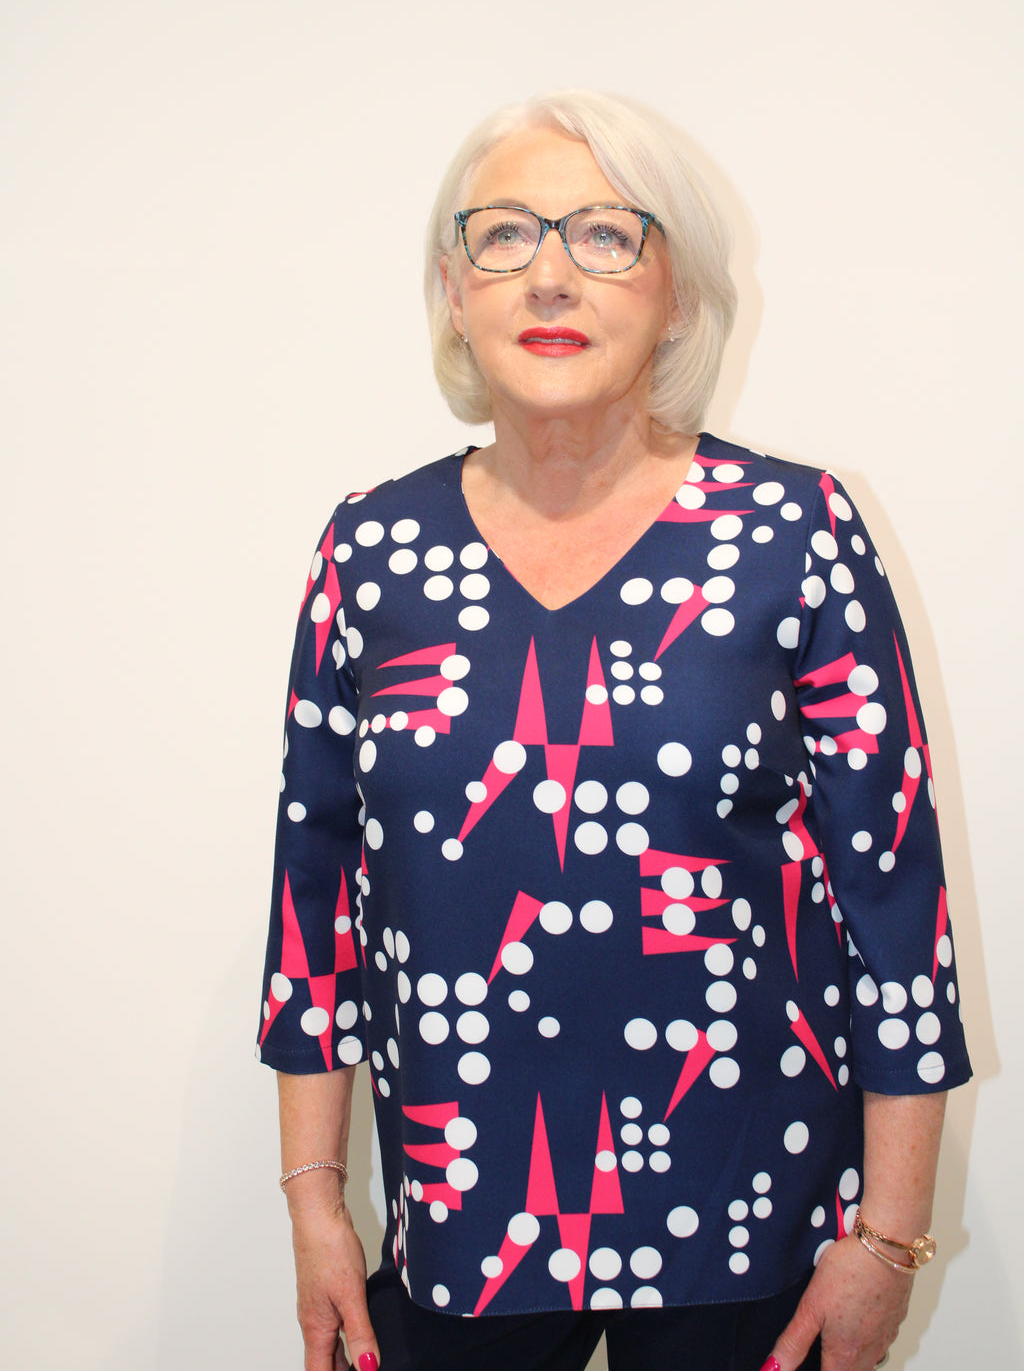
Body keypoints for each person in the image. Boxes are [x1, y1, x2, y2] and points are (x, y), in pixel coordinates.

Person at [257, 91, 971, 1371]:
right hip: (461, 1228)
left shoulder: (794, 534)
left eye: (603, 234)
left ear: (676, 293)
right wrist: (315, 1206)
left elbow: (892, 901)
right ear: (452, 289)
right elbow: (315, 899)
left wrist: (888, 1237)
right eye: (503, 234)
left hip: (755, 1238)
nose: (549, 274)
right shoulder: (369, 553)